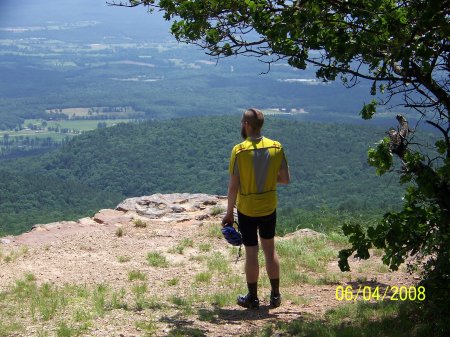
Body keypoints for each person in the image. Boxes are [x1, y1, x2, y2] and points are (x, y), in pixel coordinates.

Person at [222, 108, 290, 309]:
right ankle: (275, 296)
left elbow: (233, 186)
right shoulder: (276, 147)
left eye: (243, 122)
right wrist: (269, 179)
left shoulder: (239, 151)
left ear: (247, 125)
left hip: (247, 210)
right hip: (269, 206)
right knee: (270, 251)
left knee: (252, 252)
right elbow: (285, 179)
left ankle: (252, 298)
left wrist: (228, 213)